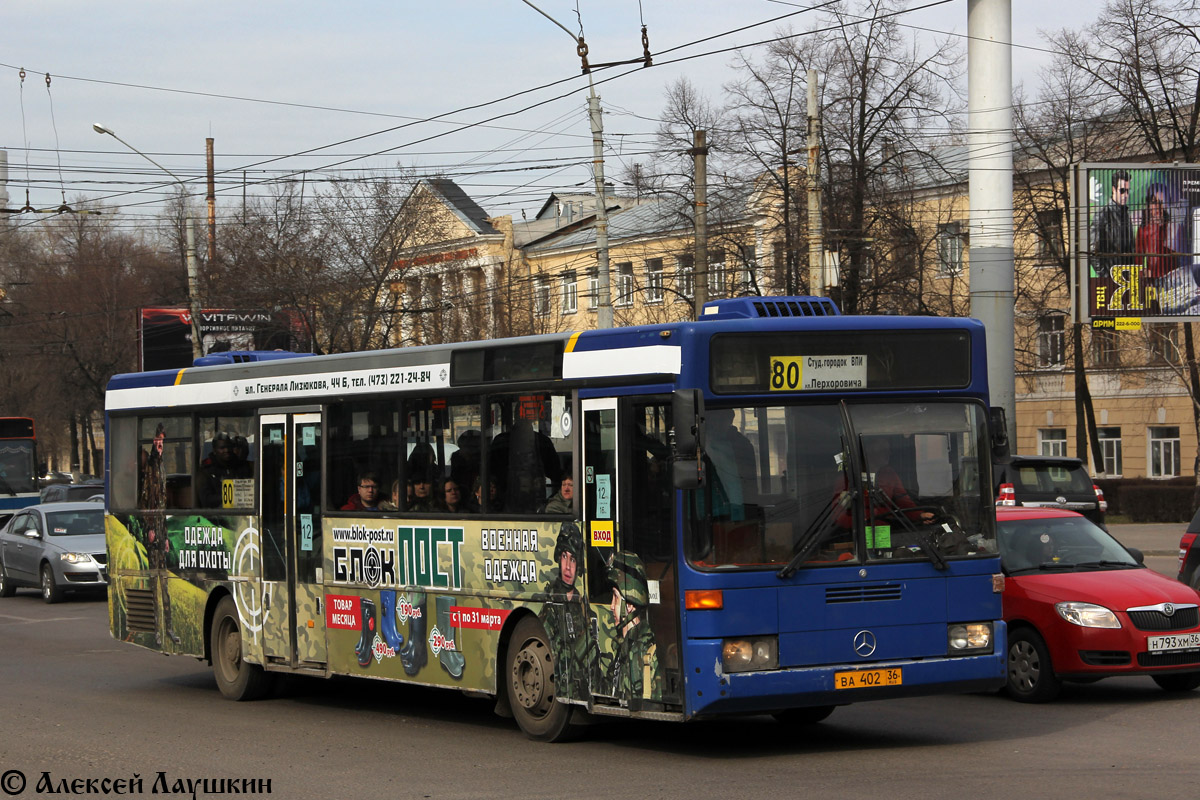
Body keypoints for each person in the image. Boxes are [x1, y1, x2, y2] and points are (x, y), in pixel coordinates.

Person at [537, 522, 597, 702]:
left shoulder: (582, 603)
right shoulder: (551, 601)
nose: (568, 567)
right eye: (564, 556)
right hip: (562, 685)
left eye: (572, 559)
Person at [836, 437, 934, 529]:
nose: (889, 453)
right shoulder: (848, 479)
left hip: (886, 530)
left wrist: (920, 515)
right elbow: (836, 514)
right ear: (869, 453)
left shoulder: (889, 474)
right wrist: (860, 524)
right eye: (883, 451)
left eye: (889, 450)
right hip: (858, 535)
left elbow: (903, 500)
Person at [1091, 169, 1135, 280]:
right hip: (1111, 281)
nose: (1125, 195)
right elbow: (1093, 252)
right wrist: (1107, 278)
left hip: (1127, 280)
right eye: (1122, 190)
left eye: (1128, 191)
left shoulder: (1126, 216)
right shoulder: (1102, 215)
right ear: (1113, 189)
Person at [1136, 184, 1177, 279]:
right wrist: (1145, 273)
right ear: (1149, 204)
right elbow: (1138, 261)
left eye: (1162, 202)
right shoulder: (1142, 230)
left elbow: (1179, 258)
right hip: (1151, 281)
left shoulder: (1172, 227)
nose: (1158, 206)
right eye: (1154, 202)